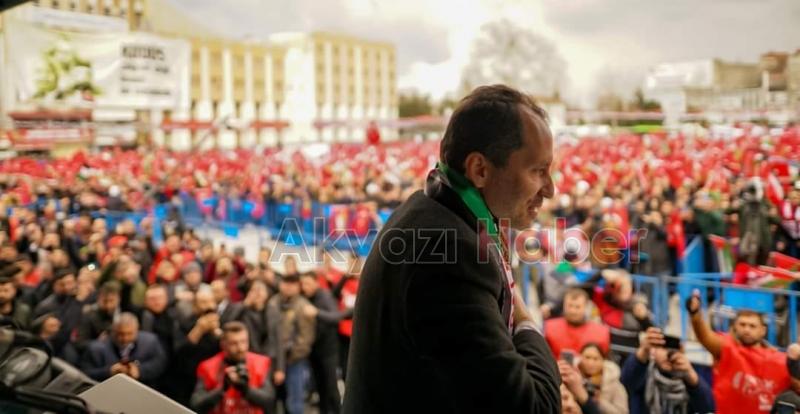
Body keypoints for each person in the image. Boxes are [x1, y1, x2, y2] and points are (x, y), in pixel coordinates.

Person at [344, 85, 560, 413]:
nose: (550, 189)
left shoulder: (430, 211)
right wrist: (526, 321)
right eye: (538, 171)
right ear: (480, 170)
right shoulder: (451, 254)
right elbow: (534, 406)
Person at [687, 292, 795, 413]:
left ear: (763, 330)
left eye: (752, 326)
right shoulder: (726, 348)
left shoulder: (780, 359)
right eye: (742, 325)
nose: (746, 330)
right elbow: (704, 336)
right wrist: (695, 314)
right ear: (734, 327)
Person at [620, 327, 714, 414]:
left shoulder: (688, 379)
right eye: (663, 347)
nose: (668, 354)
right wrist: (643, 350)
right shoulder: (644, 373)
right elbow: (626, 383)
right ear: (654, 350)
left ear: (682, 351)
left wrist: (691, 376)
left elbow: (708, 408)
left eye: (673, 348)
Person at [191, 321, 275, 414]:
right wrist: (222, 390)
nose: (241, 348)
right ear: (223, 344)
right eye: (234, 343)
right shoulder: (207, 367)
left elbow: (269, 400)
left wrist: (246, 390)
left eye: (244, 342)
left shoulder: (261, 363)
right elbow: (196, 403)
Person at [301, 271, 347, 414]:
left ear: (316, 282)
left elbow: (336, 318)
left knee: (331, 388)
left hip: (329, 351)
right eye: (303, 284)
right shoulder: (305, 297)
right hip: (314, 351)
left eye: (308, 283)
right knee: (320, 389)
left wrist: (317, 313)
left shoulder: (325, 296)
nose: (305, 287)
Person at [268, 274, 315, 414]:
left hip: (295, 360)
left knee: (295, 401)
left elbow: (306, 338)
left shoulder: (303, 306)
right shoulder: (273, 302)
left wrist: (290, 355)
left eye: (292, 284)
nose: (288, 287)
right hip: (274, 358)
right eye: (285, 283)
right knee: (273, 398)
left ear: (297, 286)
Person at [79, 312, 167, 388]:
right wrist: (108, 371)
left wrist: (140, 371)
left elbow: (160, 363)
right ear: (113, 330)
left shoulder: (151, 342)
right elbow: (84, 373)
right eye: (120, 334)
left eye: (129, 333)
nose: (125, 338)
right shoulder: (96, 348)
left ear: (137, 330)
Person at [172, 289, 225, 406]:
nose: (209, 306)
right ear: (195, 306)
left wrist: (217, 333)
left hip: (211, 378)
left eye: (212, 302)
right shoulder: (184, 322)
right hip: (187, 378)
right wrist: (199, 329)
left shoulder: (223, 322)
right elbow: (180, 352)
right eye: (204, 302)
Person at [544, 288, 610, 359]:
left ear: (586, 307)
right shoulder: (548, 327)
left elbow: (603, 362)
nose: (573, 311)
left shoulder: (601, 332)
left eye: (577, 307)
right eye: (570, 306)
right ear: (563, 306)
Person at [576, 343, 628, 414]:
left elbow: (623, 412)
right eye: (587, 357)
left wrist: (599, 402)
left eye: (596, 359)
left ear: (603, 360)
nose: (591, 363)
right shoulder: (572, 379)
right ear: (580, 358)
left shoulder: (614, 385)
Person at [75, 281, 121, 353]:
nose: (108, 305)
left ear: (118, 299)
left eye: (111, 301)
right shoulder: (88, 316)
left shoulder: (123, 316)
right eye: (105, 301)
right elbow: (79, 343)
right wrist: (98, 342)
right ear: (99, 299)